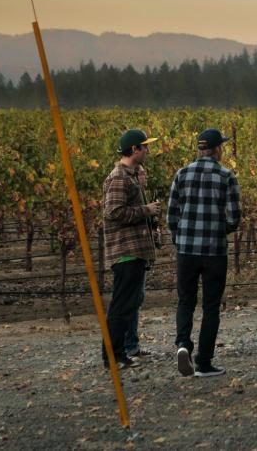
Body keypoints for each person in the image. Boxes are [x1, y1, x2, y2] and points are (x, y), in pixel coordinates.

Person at [167, 128, 241, 378]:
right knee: (211, 306)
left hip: (186, 250)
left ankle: (182, 345)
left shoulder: (182, 174)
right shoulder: (226, 175)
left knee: (186, 301)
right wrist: (221, 230)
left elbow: (171, 215)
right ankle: (204, 362)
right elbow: (234, 217)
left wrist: (180, 237)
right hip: (214, 251)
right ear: (217, 148)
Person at [101, 128, 162, 370]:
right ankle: (112, 356)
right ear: (134, 149)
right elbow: (113, 212)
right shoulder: (119, 178)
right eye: (144, 146)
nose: (147, 150)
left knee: (129, 303)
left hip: (135, 251)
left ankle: (121, 352)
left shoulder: (131, 176)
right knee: (121, 305)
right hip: (125, 252)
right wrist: (146, 210)